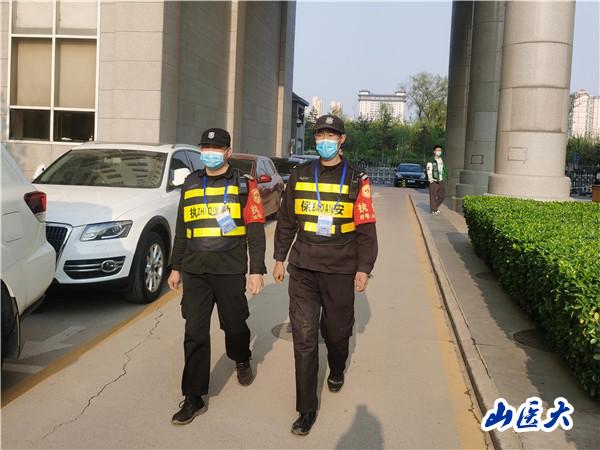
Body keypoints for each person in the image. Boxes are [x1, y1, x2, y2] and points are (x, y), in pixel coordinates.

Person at [273, 114, 378, 436]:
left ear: (342, 139)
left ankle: (337, 367)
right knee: (304, 338)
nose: (325, 140)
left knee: (335, 333)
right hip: (303, 267)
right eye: (320, 135)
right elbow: (286, 220)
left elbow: (366, 228)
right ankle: (306, 409)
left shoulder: (357, 178)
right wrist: (279, 258)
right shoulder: (300, 175)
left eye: (331, 135)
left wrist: (364, 268)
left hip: (340, 268)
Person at [168, 128, 266, 425]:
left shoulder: (244, 184)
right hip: (195, 269)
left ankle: (241, 357)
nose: (209, 152)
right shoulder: (191, 183)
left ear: (227, 151)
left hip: (230, 269)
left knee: (234, 325)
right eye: (205, 147)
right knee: (194, 332)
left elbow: (255, 230)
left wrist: (256, 270)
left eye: (216, 148)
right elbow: (183, 228)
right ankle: (194, 396)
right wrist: (175, 266)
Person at [426, 145, 447, 215]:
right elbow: (429, 170)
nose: (439, 152)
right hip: (434, 180)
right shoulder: (431, 160)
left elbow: (443, 169)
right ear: (434, 152)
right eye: (437, 150)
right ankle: (434, 209)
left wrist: (444, 176)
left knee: (442, 196)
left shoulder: (441, 159)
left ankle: (434, 207)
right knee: (433, 196)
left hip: (441, 179)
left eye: (440, 150)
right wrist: (431, 180)